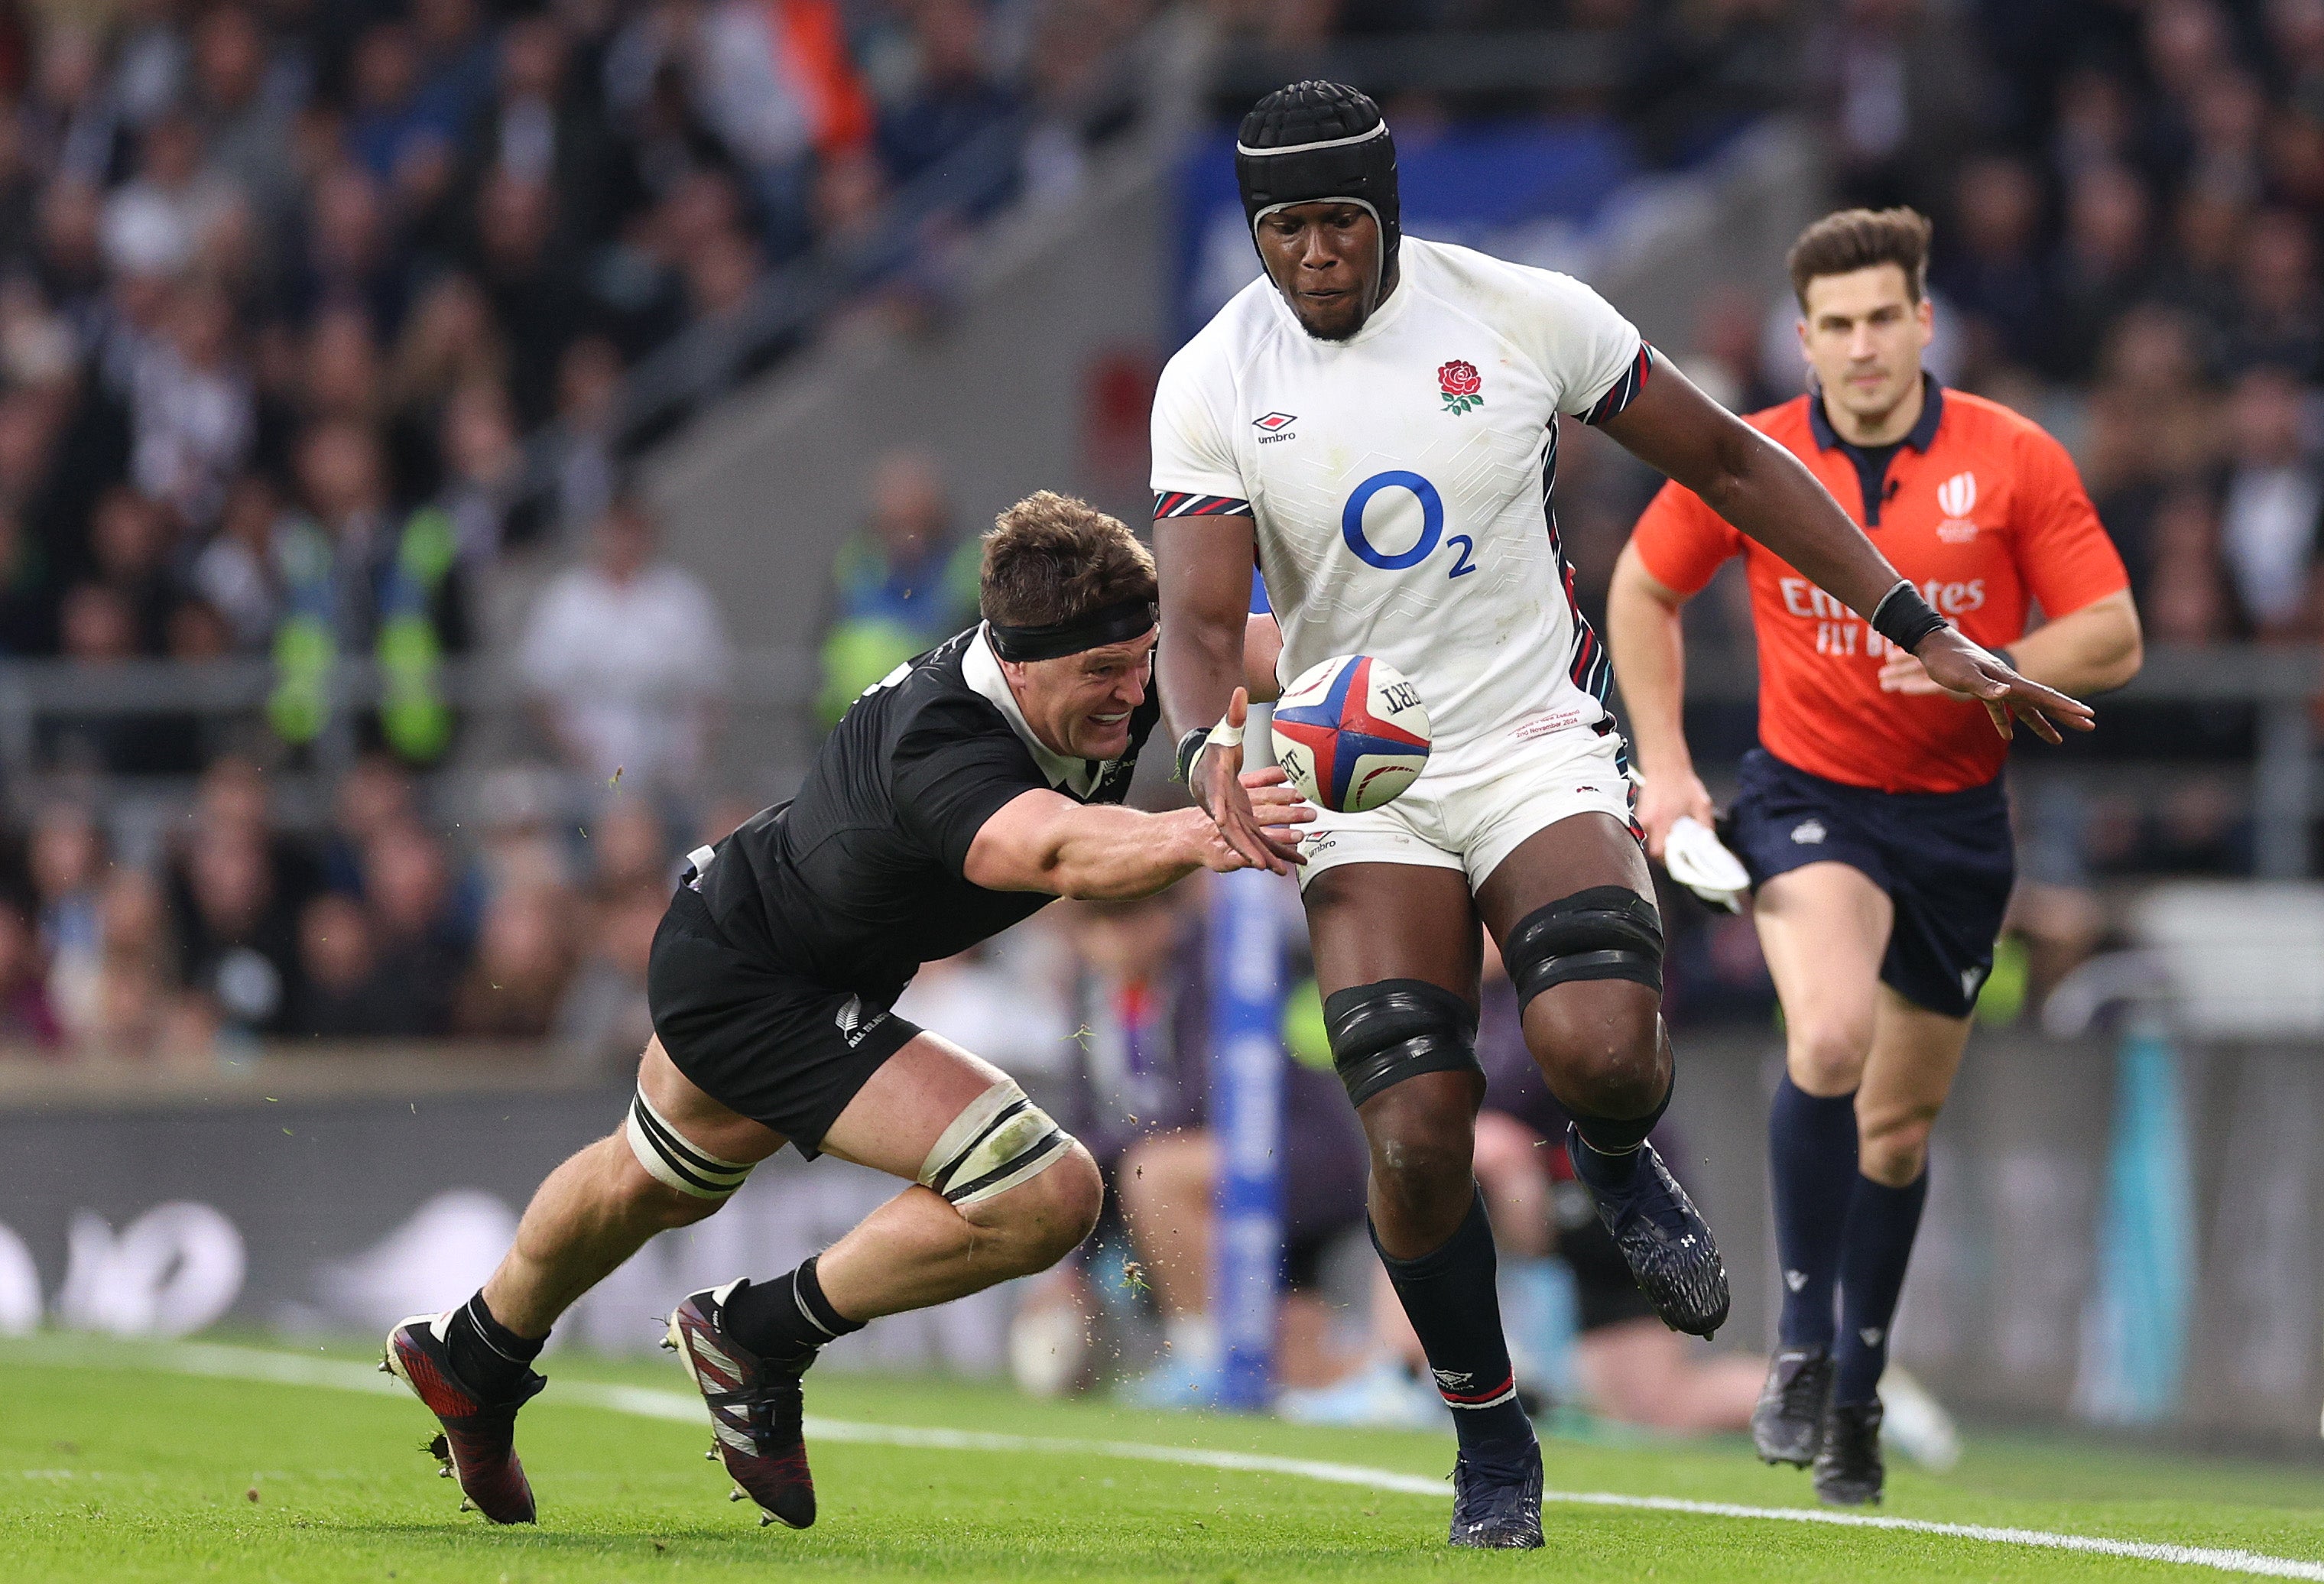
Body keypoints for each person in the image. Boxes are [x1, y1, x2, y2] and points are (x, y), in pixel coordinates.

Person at [1151, 83, 2095, 1550]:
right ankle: (1487, 1439)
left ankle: (1613, 1155)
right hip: (1365, 774)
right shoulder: (1212, 377)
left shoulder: (1525, 313)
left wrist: (1910, 618)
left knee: (1599, 1045)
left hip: (1532, 732)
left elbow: (1726, 461)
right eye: (1286, 229)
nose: (1315, 254)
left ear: (1387, 210)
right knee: (1413, 1130)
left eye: (1340, 220)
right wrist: (1217, 739)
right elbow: (1201, 615)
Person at [383, 492, 1306, 1530]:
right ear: (1017, 664)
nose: (1132, 691)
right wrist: (1204, 829)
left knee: (650, 1183)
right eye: (1101, 673)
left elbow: (1240, 641)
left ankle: (473, 1356)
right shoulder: (942, 739)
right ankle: (762, 1333)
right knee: (1045, 1194)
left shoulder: (1105, 661)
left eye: (1139, 660)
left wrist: (1427, 656)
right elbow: (1050, 851)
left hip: (768, 935)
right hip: (757, 979)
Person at [1606, 206, 2142, 1506]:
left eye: (1880, 319)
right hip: (1807, 802)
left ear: (1923, 323)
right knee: (1830, 1040)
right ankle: (1796, 1344)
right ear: (1804, 339)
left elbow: (2114, 632)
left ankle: (1857, 1390)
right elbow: (1642, 587)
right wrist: (1667, 765)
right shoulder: (1757, 456)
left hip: (1957, 827)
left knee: (1896, 1134)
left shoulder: (2013, 460)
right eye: (1834, 326)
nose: (1859, 346)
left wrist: (1982, 672)